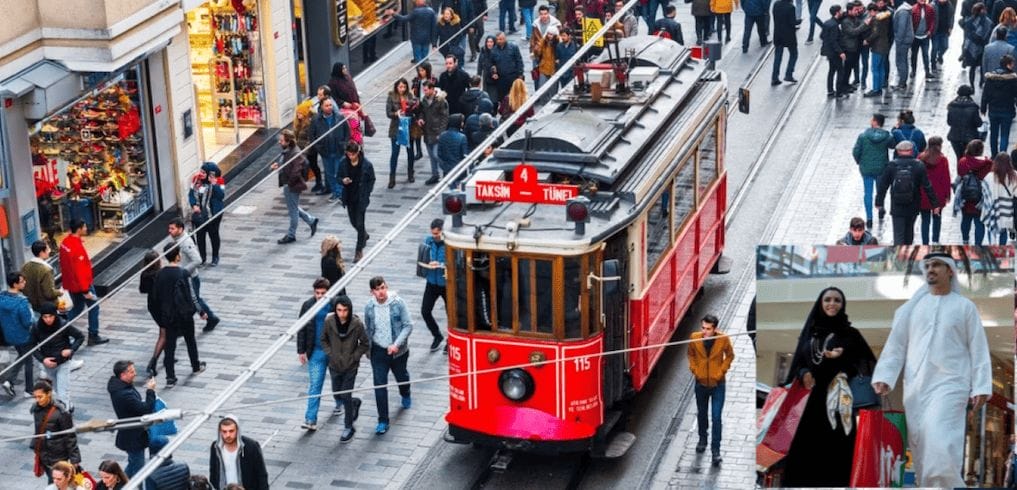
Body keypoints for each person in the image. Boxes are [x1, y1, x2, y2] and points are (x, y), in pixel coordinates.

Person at [872, 252, 992, 488]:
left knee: (941, 442)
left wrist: (981, 386)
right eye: (927, 265)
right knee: (922, 447)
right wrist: (886, 375)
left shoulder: (965, 307)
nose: (930, 269)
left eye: (936, 265)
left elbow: (978, 348)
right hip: (916, 386)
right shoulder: (913, 308)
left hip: (951, 383)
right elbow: (897, 344)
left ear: (950, 271)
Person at [782, 287, 877, 486]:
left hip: (838, 403)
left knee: (836, 453)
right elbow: (799, 361)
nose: (832, 304)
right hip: (809, 403)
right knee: (804, 452)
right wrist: (803, 373)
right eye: (827, 300)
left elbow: (866, 363)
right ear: (820, 303)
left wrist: (843, 358)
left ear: (843, 305)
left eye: (837, 300)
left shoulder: (851, 334)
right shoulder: (811, 332)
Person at [151, 243, 207, 388]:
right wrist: (200, 311)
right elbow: (193, 296)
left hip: (168, 316)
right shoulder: (183, 273)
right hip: (184, 315)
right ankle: (195, 366)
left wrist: (160, 317)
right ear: (178, 256)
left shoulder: (159, 274)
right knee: (190, 341)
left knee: (170, 346)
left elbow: (155, 298)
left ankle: (170, 377)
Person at [364, 276, 414, 435]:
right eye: (377, 289)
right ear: (372, 292)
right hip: (378, 351)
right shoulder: (369, 307)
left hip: (398, 352)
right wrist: (368, 349)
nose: (381, 292)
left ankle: (405, 392)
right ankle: (383, 420)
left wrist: (396, 344)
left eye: (383, 288)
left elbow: (408, 325)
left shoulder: (398, 303)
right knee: (379, 386)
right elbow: (368, 328)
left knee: (402, 377)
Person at [321, 295, 370, 443]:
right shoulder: (329, 321)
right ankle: (354, 402)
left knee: (345, 395)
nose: (342, 314)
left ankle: (349, 426)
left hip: (350, 367)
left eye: (345, 310)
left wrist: (354, 357)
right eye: (339, 310)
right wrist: (331, 354)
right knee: (337, 392)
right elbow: (323, 339)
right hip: (335, 365)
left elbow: (365, 343)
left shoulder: (356, 324)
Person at [687, 314, 734, 466]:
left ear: (715, 329)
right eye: (703, 328)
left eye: (708, 329)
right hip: (700, 384)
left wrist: (721, 372)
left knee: (716, 417)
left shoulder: (723, 339)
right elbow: (691, 355)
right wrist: (695, 370)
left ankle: (716, 451)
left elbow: (730, 356)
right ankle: (702, 439)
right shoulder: (695, 338)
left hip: (718, 385)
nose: (705, 331)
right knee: (701, 413)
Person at [875, 141, 940, 245]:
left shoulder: (892, 165)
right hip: (913, 204)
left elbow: (883, 186)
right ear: (911, 151)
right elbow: (927, 186)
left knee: (899, 234)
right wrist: (935, 204)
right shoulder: (919, 165)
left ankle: (900, 257)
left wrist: (879, 202)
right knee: (909, 233)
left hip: (897, 205)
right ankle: (908, 255)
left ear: (898, 151)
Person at [297, 278, 340, 431]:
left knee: (337, 381)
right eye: (317, 293)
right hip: (316, 351)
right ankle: (310, 419)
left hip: (334, 351)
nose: (320, 296)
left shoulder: (336, 304)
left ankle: (339, 402)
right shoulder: (308, 305)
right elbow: (301, 328)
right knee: (315, 385)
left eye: (323, 293)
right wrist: (301, 350)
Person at [59, 218, 107, 346]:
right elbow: (79, 271)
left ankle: (61, 328)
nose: (86, 229)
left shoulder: (65, 243)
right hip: (82, 284)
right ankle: (93, 335)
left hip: (71, 284)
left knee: (78, 307)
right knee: (94, 306)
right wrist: (86, 290)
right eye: (85, 227)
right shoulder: (76, 247)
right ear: (79, 229)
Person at [168, 218, 220, 332]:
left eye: (172, 228)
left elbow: (197, 260)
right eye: (169, 228)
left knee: (194, 300)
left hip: (190, 278)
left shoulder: (185, 242)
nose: (169, 231)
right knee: (190, 301)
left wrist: (184, 272)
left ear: (180, 229)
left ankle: (211, 318)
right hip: (185, 278)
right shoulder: (178, 240)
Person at [106, 360, 156, 477]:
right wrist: (150, 391)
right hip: (133, 436)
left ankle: (121, 483)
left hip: (132, 433)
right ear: (123, 375)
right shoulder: (124, 394)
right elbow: (146, 409)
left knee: (133, 463)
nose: (135, 374)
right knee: (139, 469)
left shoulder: (122, 387)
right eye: (132, 372)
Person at [30, 303, 83, 409]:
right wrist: (43, 359)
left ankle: (65, 412)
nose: (48, 319)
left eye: (51, 316)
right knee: (57, 388)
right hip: (48, 364)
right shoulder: (36, 327)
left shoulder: (63, 325)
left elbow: (80, 337)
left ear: (55, 315)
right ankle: (68, 405)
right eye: (45, 317)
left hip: (63, 362)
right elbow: (31, 345)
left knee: (63, 390)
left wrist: (71, 350)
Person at [272, 130, 319, 245]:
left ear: (288, 141)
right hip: (288, 184)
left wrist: (289, 182)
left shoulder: (295, 153)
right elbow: (287, 165)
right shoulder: (287, 151)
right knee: (294, 207)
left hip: (292, 186)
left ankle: (291, 234)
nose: (279, 142)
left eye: (282, 140)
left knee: (293, 211)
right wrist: (278, 166)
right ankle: (311, 220)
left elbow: (295, 172)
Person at [852, 113, 896, 228]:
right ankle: (880, 208)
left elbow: (856, 151)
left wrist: (860, 161)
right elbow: (893, 145)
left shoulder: (863, 136)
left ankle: (869, 218)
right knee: (880, 191)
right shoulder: (887, 136)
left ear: (875, 122)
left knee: (868, 193)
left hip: (866, 169)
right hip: (881, 168)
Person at [32, 380, 80, 481]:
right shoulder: (36, 409)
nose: (37, 400)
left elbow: (70, 436)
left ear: (48, 394)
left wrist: (74, 459)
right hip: (44, 454)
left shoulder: (61, 412)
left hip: (58, 456)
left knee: (55, 482)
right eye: (35, 397)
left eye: (40, 397)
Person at [339, 141, 376, 264]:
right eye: (349, 154)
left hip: (361, 198)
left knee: (360, 224)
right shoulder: (343, 163)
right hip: (349, 197)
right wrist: (343, 180)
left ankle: (359, 250)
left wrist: (368, 192)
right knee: (353, 222)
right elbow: (337, 177)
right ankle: (363, 235)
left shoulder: (366, 165)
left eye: (353, 154)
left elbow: (372, 179)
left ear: (358, 153)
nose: (351, 157)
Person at [209, 416, 269, 490]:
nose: (228, 435)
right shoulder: (215, 447)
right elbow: (213, 472)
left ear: (237, 430)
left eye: (231, 431)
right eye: (224, 431)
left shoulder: (251, 446)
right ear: (220, 431)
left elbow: (261, 473)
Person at [311, 98, 352, 204]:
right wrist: (319, 148)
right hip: (326, 152)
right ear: (321, 107)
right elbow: (312, 136)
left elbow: (347, 132)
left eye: (330, 105)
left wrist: (344, 144)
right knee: (329, 174)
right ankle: (336, 192)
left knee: (339, 173)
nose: (330, 107)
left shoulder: (339, 117)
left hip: (339, 150)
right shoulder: (316, 120)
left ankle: (339, 193)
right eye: (327, 105)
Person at [0, 271, 34, 398]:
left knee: (22, 355)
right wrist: (31, 318)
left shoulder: (1, 297)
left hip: (9, 334)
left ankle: (10, 380)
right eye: (22, 281)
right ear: (15, 284)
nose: (24, 282)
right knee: (28, 360)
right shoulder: (22, 302)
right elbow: (27, 322)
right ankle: (29, 389)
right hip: (24, 335)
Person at [418, 219, 448, 353]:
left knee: (451, 315)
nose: (435, 236)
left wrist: (441, 265)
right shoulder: (428, 241)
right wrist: (428, 263)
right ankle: (437, 335)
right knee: (425, 311)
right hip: (431, 282)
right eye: (433, 233)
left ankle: (451, 340)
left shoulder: (449, 243)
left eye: (437, 233)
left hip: (446, 284)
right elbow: (422, 258)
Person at [956, 139, 993, 245]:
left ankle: (965, 240)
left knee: (966, 219)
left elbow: (960, 175)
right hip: (981, 197)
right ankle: (978, 245)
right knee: (979, 222)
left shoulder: (962, 162)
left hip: (966, 196)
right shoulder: (988, 163)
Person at [188, 162, 226, 267]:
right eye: (201, 171)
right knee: (200, 236)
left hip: (213, 214)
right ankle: (202, 258)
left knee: (213, 235)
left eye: (204, 172)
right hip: (200, 214)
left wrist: (214, 184)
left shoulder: (219, 180)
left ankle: (215, 256)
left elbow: (221, 196)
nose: (201, 174)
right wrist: (194, 205)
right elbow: (191, 194)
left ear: (210, 173)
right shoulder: (196, 179)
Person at [917, 136, 952, 245]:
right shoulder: (943, 160)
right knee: (937, 218)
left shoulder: (920, 158)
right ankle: (935, 240)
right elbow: (946, 178)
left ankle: (925, 242)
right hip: (938, 194)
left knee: (925, 220)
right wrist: (947, 194)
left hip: (924, 194)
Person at [981, 54, 1017, 156]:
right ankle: (1002, 156)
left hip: (993, 110)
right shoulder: (1012, 79)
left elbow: (985, 94)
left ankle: (994, 155)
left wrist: (983, 108)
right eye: (1012, 63)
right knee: (1004, 135)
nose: (1013, 65)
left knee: (993, 134)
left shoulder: (991, 78)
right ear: (1008, 65)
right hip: (1007, 110)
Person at [386, 78, 418, 188]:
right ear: (396, 87)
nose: (402, 89)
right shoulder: (391, 96)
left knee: (410, 152)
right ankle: (392, 177)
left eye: (404, 87)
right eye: (400, 87)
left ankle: (410, 173)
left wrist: (411, 109)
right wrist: (396, 113)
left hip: (409, 126)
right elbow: (388, 113)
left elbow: (415, 109)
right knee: (395, 153)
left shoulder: (410, 95)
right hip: (396, 127)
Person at [138, 250, 165, 379]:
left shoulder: (144, 274)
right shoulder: (160, 274)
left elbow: (142, 290)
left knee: (165, 330)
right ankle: (153, 362)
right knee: (164, 333)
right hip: (162, 305)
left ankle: (168, 355)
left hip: (152, 305)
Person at [419, 81, 450, 185]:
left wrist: (441, 132)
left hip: (437, 131)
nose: (425, 92)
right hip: (427, 131)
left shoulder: (441, 101)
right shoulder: (424, 100)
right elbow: (422, 113)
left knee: (437, 154)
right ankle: (435, 175)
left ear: (432, 89)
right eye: (424, 90)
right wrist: (421, 119)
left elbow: (445, 117)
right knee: (432, 156)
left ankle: (448, 169)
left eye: (426, 90)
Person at [984, 152, 1017, 244]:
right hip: (1007, 209)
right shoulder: (1014, 175)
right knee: (1004, 231)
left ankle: (992, 244)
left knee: (991, 228)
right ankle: (1002, 246)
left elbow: (985, 193)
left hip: (993, 208)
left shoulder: (989, 176)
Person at [863, 0, 893, 96]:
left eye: (869, 12)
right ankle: (880, 87)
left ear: (872, 11)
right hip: (885, 45)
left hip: (877, 47)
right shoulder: (885, 17)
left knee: (875, 68)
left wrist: (867, 40)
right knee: (881, 68)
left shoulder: (876, 19)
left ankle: (876, 89)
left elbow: (875, 33)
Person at [947, 84, 985, 160]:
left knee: (959, 158)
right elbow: (978, 123)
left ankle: (960, 171)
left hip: (955, 137)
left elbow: (949, 122)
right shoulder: (973, 107)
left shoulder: (952, 106)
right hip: (970, 137)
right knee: (970, 159)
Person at [23, 240, 61, 314]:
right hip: (48, 306)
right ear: (41, 253)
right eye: (47, 249)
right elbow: (49, 293)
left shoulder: (25, 266)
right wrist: (59, 292)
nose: (49, 251)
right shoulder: (46, 270)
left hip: (34, 304)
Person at [294, 99, 324, 193]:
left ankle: (319, 183)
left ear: (305, 113)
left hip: (309, 150)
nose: (298, 115)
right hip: (300, 149)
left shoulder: (310, 123)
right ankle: (301, 183)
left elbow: (310, 138)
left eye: (300, 113)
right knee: (302, 166)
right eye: (297, 113)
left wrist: (306, 151)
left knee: (313, 165)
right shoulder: (298, 123)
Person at [962, 3, 993, 87]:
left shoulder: (969, 21)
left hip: (972, 46)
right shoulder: (987, 22)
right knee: (982, 66)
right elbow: (988, 34)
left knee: (973, 67)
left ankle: (973, 84)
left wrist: (965, 49)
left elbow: (967, 36)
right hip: (982, 46)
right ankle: (980, 82)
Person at [411, 62, 437, 161]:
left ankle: (431, 147)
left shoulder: (433, 80)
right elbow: (413, 93)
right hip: (418, 106)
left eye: (422, 70)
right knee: (417, 129)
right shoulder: (416, 81)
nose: (420, 72)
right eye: (419, 70)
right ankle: (419, 151)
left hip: (429, 106)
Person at [821, 6, 848, 98]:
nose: (841, 12)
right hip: (835, 52)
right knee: (840, 71)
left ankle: (830, 90)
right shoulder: (834, 25)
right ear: (837, 12)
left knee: (831, 71)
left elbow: (822, 36)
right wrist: (841, 52)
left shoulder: (827, 23)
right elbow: (834, 40)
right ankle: (839, 92)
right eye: (840, 11)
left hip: (828, 52)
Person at [490, 32, 525, 99]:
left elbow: (519, 61)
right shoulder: (494, 50)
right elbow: (492, 64)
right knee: (503, 98)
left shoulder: (513, 47)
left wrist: (520, 74)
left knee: (515, 97)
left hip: (513, 77)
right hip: (501, 79)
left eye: (501, 39)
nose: (499, 41)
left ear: (505, 38)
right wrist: (493, 73)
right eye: (497, 39)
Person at [771, 0, 799, 86]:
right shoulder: (791, 7)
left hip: (778, 34)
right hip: (789, 35)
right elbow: (792, 22)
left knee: (778, 57)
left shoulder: (776, 4)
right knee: (794, 54)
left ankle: (774, 77)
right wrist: (799, 21)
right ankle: (788, 74)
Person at [437, 113, 469, 182]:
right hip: (459, 169)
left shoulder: (442, 135)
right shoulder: (462, 137)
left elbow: (439, 154)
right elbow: (464, 154)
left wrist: (444, 166)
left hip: (447, 168)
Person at [910, 0, 936, 82]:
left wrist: (930, 31)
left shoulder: (930, 8)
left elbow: (932, 20)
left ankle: (927, 71)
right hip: (915, 37)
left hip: (925, 36)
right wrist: (912, 33)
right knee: (914, 55)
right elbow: (910, 22)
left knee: (925, 55)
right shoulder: (913, 9)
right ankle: (913, 70)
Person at [891, 0, 915, 89]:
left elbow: (902, 28)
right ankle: (903, 81)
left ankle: (902, 83)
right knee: (903, 60)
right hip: (906, 39)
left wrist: (898, 40)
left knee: (900, 61)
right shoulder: (904, 10)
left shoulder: (902, 12)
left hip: (903, 40)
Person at [532, 26, 559, 91]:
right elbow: (538, 53)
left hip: (554, 69)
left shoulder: (558, 43)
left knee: (553, 91)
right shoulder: (543, 41)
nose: (549, 36)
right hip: (544, 68)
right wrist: (536, 50)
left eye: (551, 34)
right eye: (548, 33)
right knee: (542, 89)